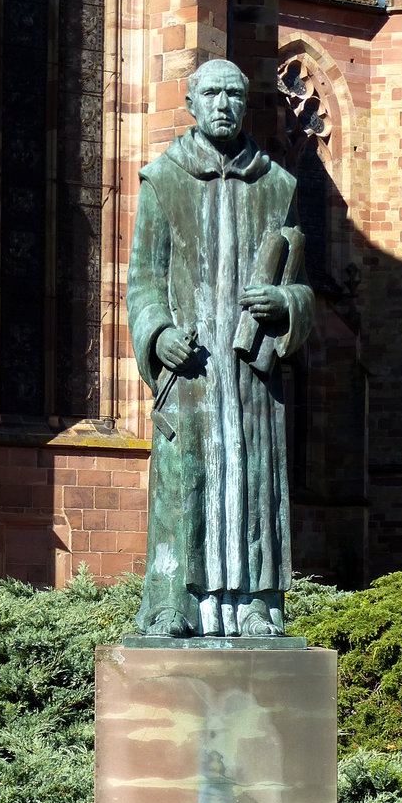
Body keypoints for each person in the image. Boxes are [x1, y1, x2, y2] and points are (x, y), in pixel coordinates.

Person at [127, 58, 314, 638]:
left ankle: (259, 601)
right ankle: (170, 603)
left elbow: (303, 286)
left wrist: (285, 306)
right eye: (211, 94)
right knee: (187, 482)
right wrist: (158, 335)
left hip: (252, 377)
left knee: (255, 479)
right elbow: (142, 280)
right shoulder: (162, 180)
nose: (224, 105)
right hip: (193, 373)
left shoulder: (279, 186)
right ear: (191, 102)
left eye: (234, 94)